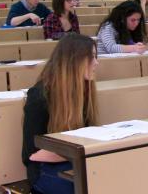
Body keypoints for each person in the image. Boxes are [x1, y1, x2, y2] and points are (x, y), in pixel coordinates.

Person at [22, 34, 98, 194]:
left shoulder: (85, 90)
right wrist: (74, 152)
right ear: (73, 61)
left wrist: (70, 152)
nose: (96, 63)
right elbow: (32, 155)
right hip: (43, 171)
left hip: (74, 160)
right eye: (91, 58)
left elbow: (88, 136)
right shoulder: (40, 95)